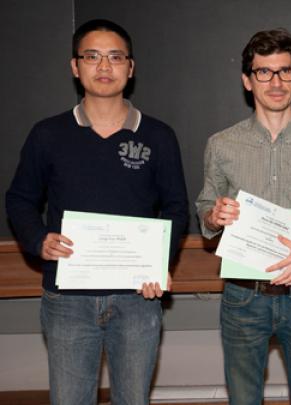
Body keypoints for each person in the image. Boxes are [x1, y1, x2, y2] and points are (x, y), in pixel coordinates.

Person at [5, 19, 189, 405]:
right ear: (76, 66)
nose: (104, 67)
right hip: (67, 300)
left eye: (115, 57)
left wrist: (159, 265)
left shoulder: (158, 136)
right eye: (92, 56)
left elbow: (175, 208)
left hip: (138, 300)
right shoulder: (48, 134)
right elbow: (20, 199)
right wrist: (37, 239)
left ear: (130, 67)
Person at [195, 28, 291, 405]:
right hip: (243, 297)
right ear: (248, 81)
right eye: (264, 72)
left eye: (284, 72)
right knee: (243, 399)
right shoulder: (221, 145)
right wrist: (215, 215)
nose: (276, 82)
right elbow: (204, 209)